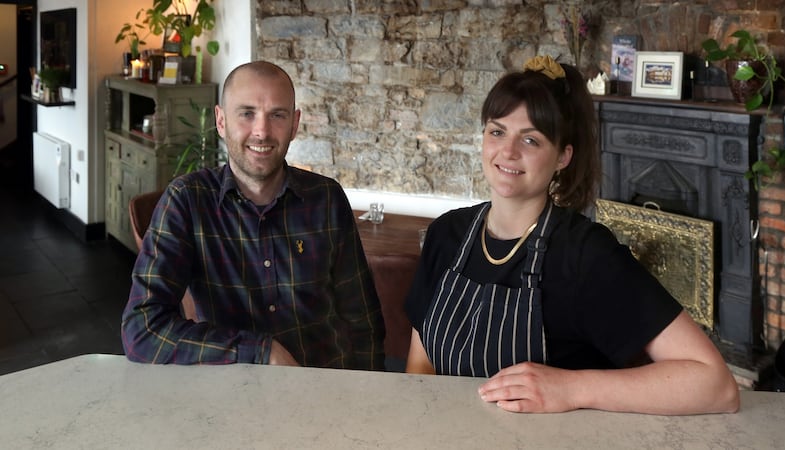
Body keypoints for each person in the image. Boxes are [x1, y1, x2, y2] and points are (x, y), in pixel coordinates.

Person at [404, 55, 740, 415]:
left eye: (531, 140)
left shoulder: (586, 256)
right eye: (497, 131)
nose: (508, 151)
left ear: (563, 157)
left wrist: (572, 387)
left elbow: (716, 386)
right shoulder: (446, 235)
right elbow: (420, 367)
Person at [121, 61, 385, 370]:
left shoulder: (326, 198)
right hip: (235, 395)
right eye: (247, 114)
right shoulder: (187, 201)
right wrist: (260, 351)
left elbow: (363, 322)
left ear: (295, 124)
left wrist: (368, 396)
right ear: (221, 121)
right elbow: (142, 328)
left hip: (326, 389)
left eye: (277, 115)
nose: (262, 131)